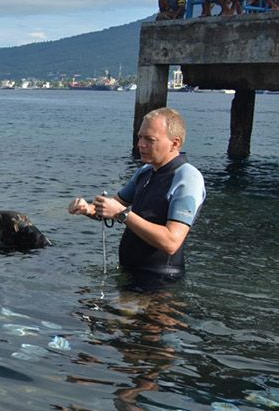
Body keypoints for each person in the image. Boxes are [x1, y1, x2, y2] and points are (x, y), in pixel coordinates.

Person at [69, 107, 206, 282]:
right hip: (130, 274)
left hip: (160, 281)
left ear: (175, 143)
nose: (140, 144)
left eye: (150, 139)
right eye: (140, 137)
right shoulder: (145, 172)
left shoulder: (187, 178)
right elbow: (113, 207)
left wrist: (122, 214)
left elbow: (171, 242)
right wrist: (87, 208)